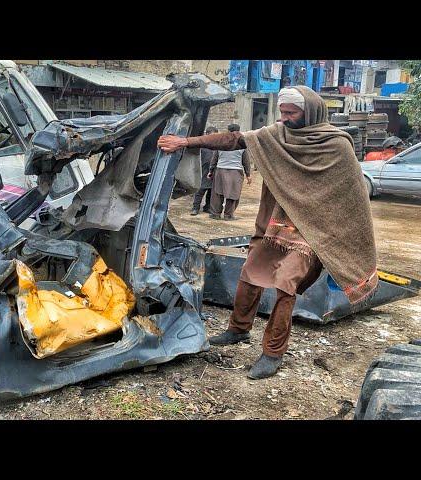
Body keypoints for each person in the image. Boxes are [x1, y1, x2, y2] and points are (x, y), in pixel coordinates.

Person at [158, 86, 377, 379]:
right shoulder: (277, 135)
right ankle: (238, 329)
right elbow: (234, 140)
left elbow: (351, 198)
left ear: (310, 112)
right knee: (250, 273)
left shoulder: (336, 145)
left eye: (291, 113)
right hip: (279, 225)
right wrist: (185, 141)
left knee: (286, 282)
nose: (284, 118)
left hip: (312, 230)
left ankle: (273, 353)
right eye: (282, 112)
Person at [207, 124, 251, 220]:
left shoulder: (221, 142)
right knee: (233, 194)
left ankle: (215, 214)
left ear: (228, 131)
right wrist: (248, 175)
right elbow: (246, 161)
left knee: (218, 193)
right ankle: (228, 215)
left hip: (220, 171)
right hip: (235, 172)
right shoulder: (242, 144)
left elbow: (214, 158)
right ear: (238, 131)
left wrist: (211, 170)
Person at [191, 126, 218, 215]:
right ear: (207, 134)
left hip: (213, 171)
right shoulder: (201, 145)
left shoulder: (217, 145)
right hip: (202, 170)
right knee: (200, 190)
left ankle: (207, 207)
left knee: (211, 191)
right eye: (212, 135)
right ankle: (195, 208)